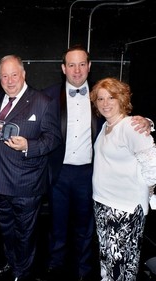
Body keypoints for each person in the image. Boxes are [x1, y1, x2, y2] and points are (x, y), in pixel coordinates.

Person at [42, 44, 153, 281]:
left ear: (89, 66)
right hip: (59, 172)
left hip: (89, 174)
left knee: (87, 227)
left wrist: (148, 122)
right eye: (71, 64)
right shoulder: (49, 95)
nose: (77, 70)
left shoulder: (99, 96)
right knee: (57, 224)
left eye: (82, 64)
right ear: (63, 68)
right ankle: (55, 264)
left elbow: (126, 118)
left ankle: (84, 269)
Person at [0, 55, 62, 281]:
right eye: (4, 76)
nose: (10, 80)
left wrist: (28, 145)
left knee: (25, 233)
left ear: (23, 74)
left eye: (14, 74)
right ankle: (12, 261)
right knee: (5, 229)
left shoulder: (43, 101)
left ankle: (22, 272)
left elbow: (53, 138)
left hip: (26, 182)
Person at [90, 77, 156, 281]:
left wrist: (149, 192)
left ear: (122, 99)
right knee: (108, 261)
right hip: (104, 204)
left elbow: (153, 166)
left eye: (111, 97)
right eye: (100, 99)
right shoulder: (106, 126)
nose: (105, 103)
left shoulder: (131, 126)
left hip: (125, 210)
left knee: (123, 266)